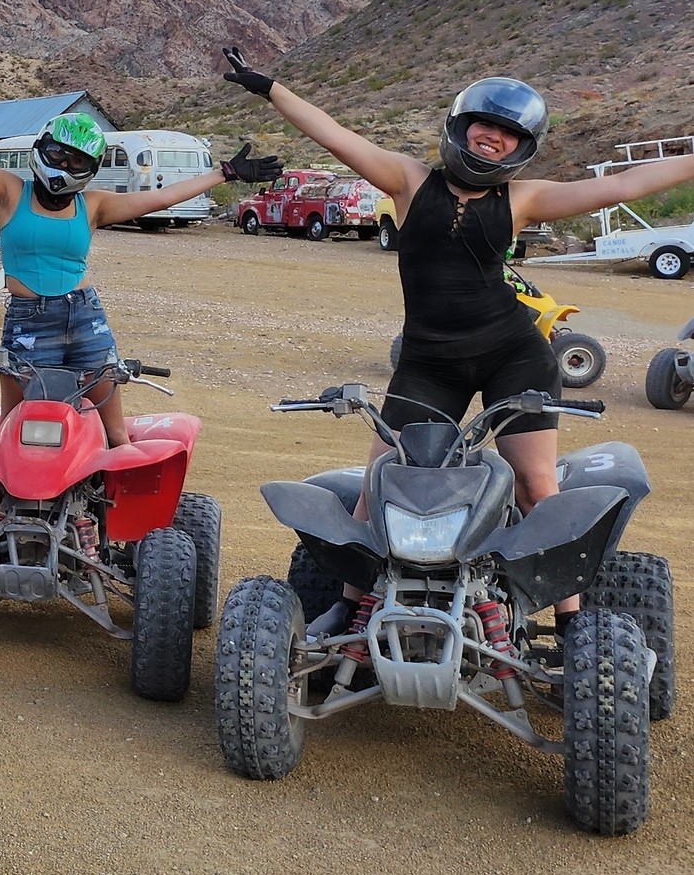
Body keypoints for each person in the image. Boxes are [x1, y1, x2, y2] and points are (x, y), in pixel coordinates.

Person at [221, 49, 694, 524]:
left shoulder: (524, 198)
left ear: (522, 146)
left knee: (535, 487)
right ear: (460, 124)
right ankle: (351, 602)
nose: (494, 137)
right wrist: (270, 89)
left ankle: (572, 603)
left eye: (509, 133)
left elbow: (625, 185)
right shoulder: (408, 181)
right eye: (485, 124)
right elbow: (334, 136)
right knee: (378, 491)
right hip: (429, 363)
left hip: (513, 355)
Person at [0, 66, 276, 442]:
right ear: (43, 148)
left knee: (115, 434)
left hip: (84, 317)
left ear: (91, 167)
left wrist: (224, 174)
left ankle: (106, 516)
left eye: (77, 159)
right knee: (13, 430)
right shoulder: (8, 192)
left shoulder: (93, 205)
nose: (64, 163)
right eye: (59, 152)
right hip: (28, 319)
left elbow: (159, 198)